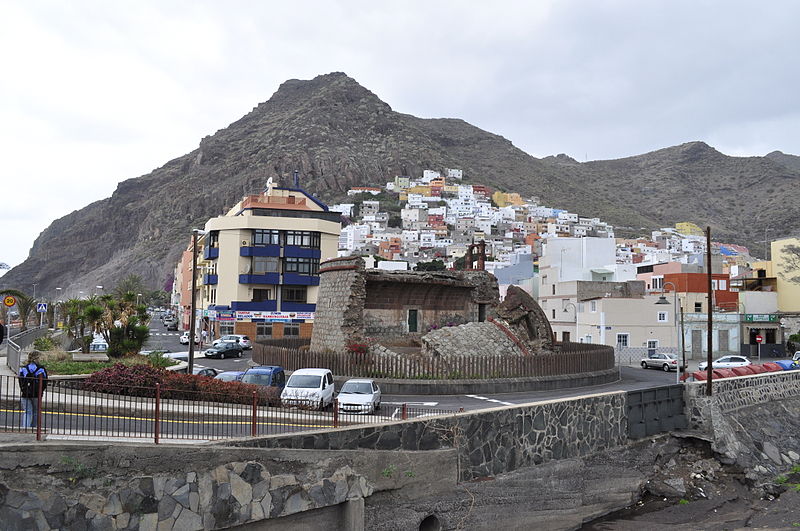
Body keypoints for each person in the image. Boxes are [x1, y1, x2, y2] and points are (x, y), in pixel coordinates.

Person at [19, 351, 48, 429]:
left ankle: (25, 429)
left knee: (27, 412)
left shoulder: (23, 369)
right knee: (36, 412)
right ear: (37, 358)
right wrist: (41, 391)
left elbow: (20, 381)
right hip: (36, 394)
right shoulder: (41, 369)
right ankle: (33, 429)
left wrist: (23, 389)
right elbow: (44, 382)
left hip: (25, 394)